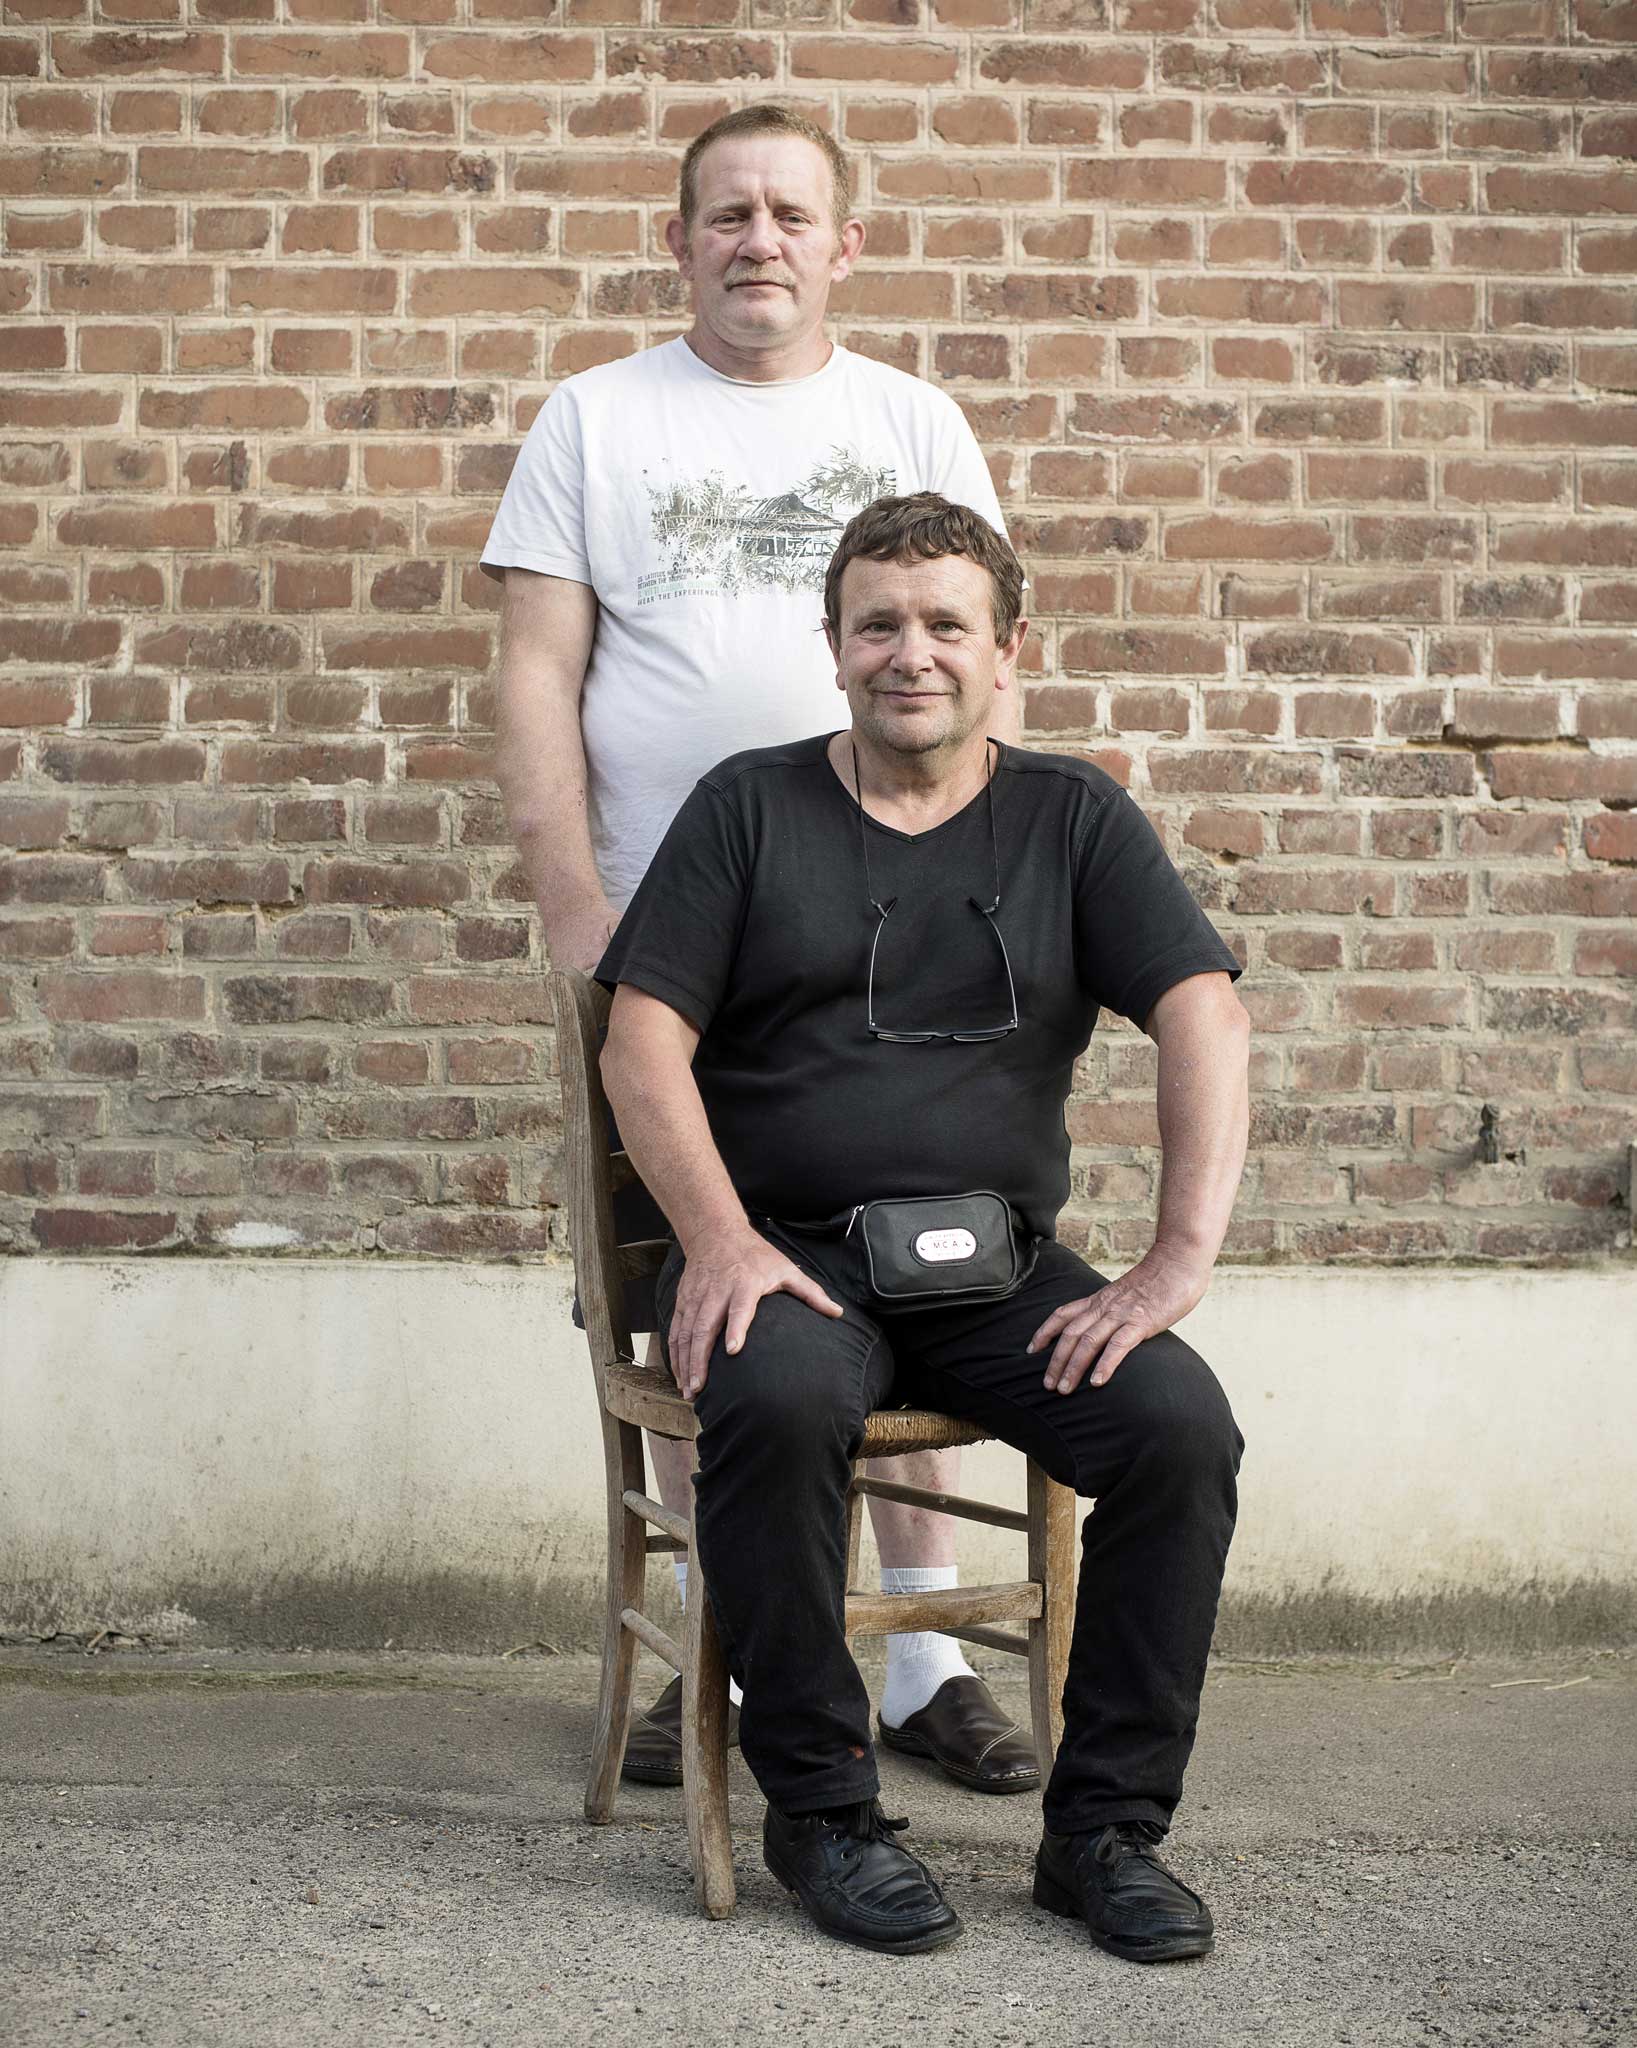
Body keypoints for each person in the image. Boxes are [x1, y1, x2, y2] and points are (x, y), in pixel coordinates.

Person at [597, 494, 1250, 1961]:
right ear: (832, 647)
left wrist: (1174, 1260)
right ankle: (822, 1810)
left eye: (946, 624)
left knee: (1176, 1432)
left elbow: (1201, 1009)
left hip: (998, 1268)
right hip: (795, 1259)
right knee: (766, 1401)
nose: (912, 653)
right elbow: (641, 1043)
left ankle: (1103, 1838)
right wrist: (716, 1239)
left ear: (1007, 650)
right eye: (878, 623)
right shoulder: (749, 809)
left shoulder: (1073, 815)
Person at [484, 104, 1037, 1794]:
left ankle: (926, 1657)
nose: (758, 240)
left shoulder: (908, 416)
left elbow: (981, 644)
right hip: (678, 938)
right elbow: (531, 672)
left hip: (899, 930)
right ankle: (730, 1659)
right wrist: (579, 910)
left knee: (915, 1265)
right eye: (726, 212)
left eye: (791, 213)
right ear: (680, 241)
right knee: (705, 1300)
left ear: (841, 246)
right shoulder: (595, 417)